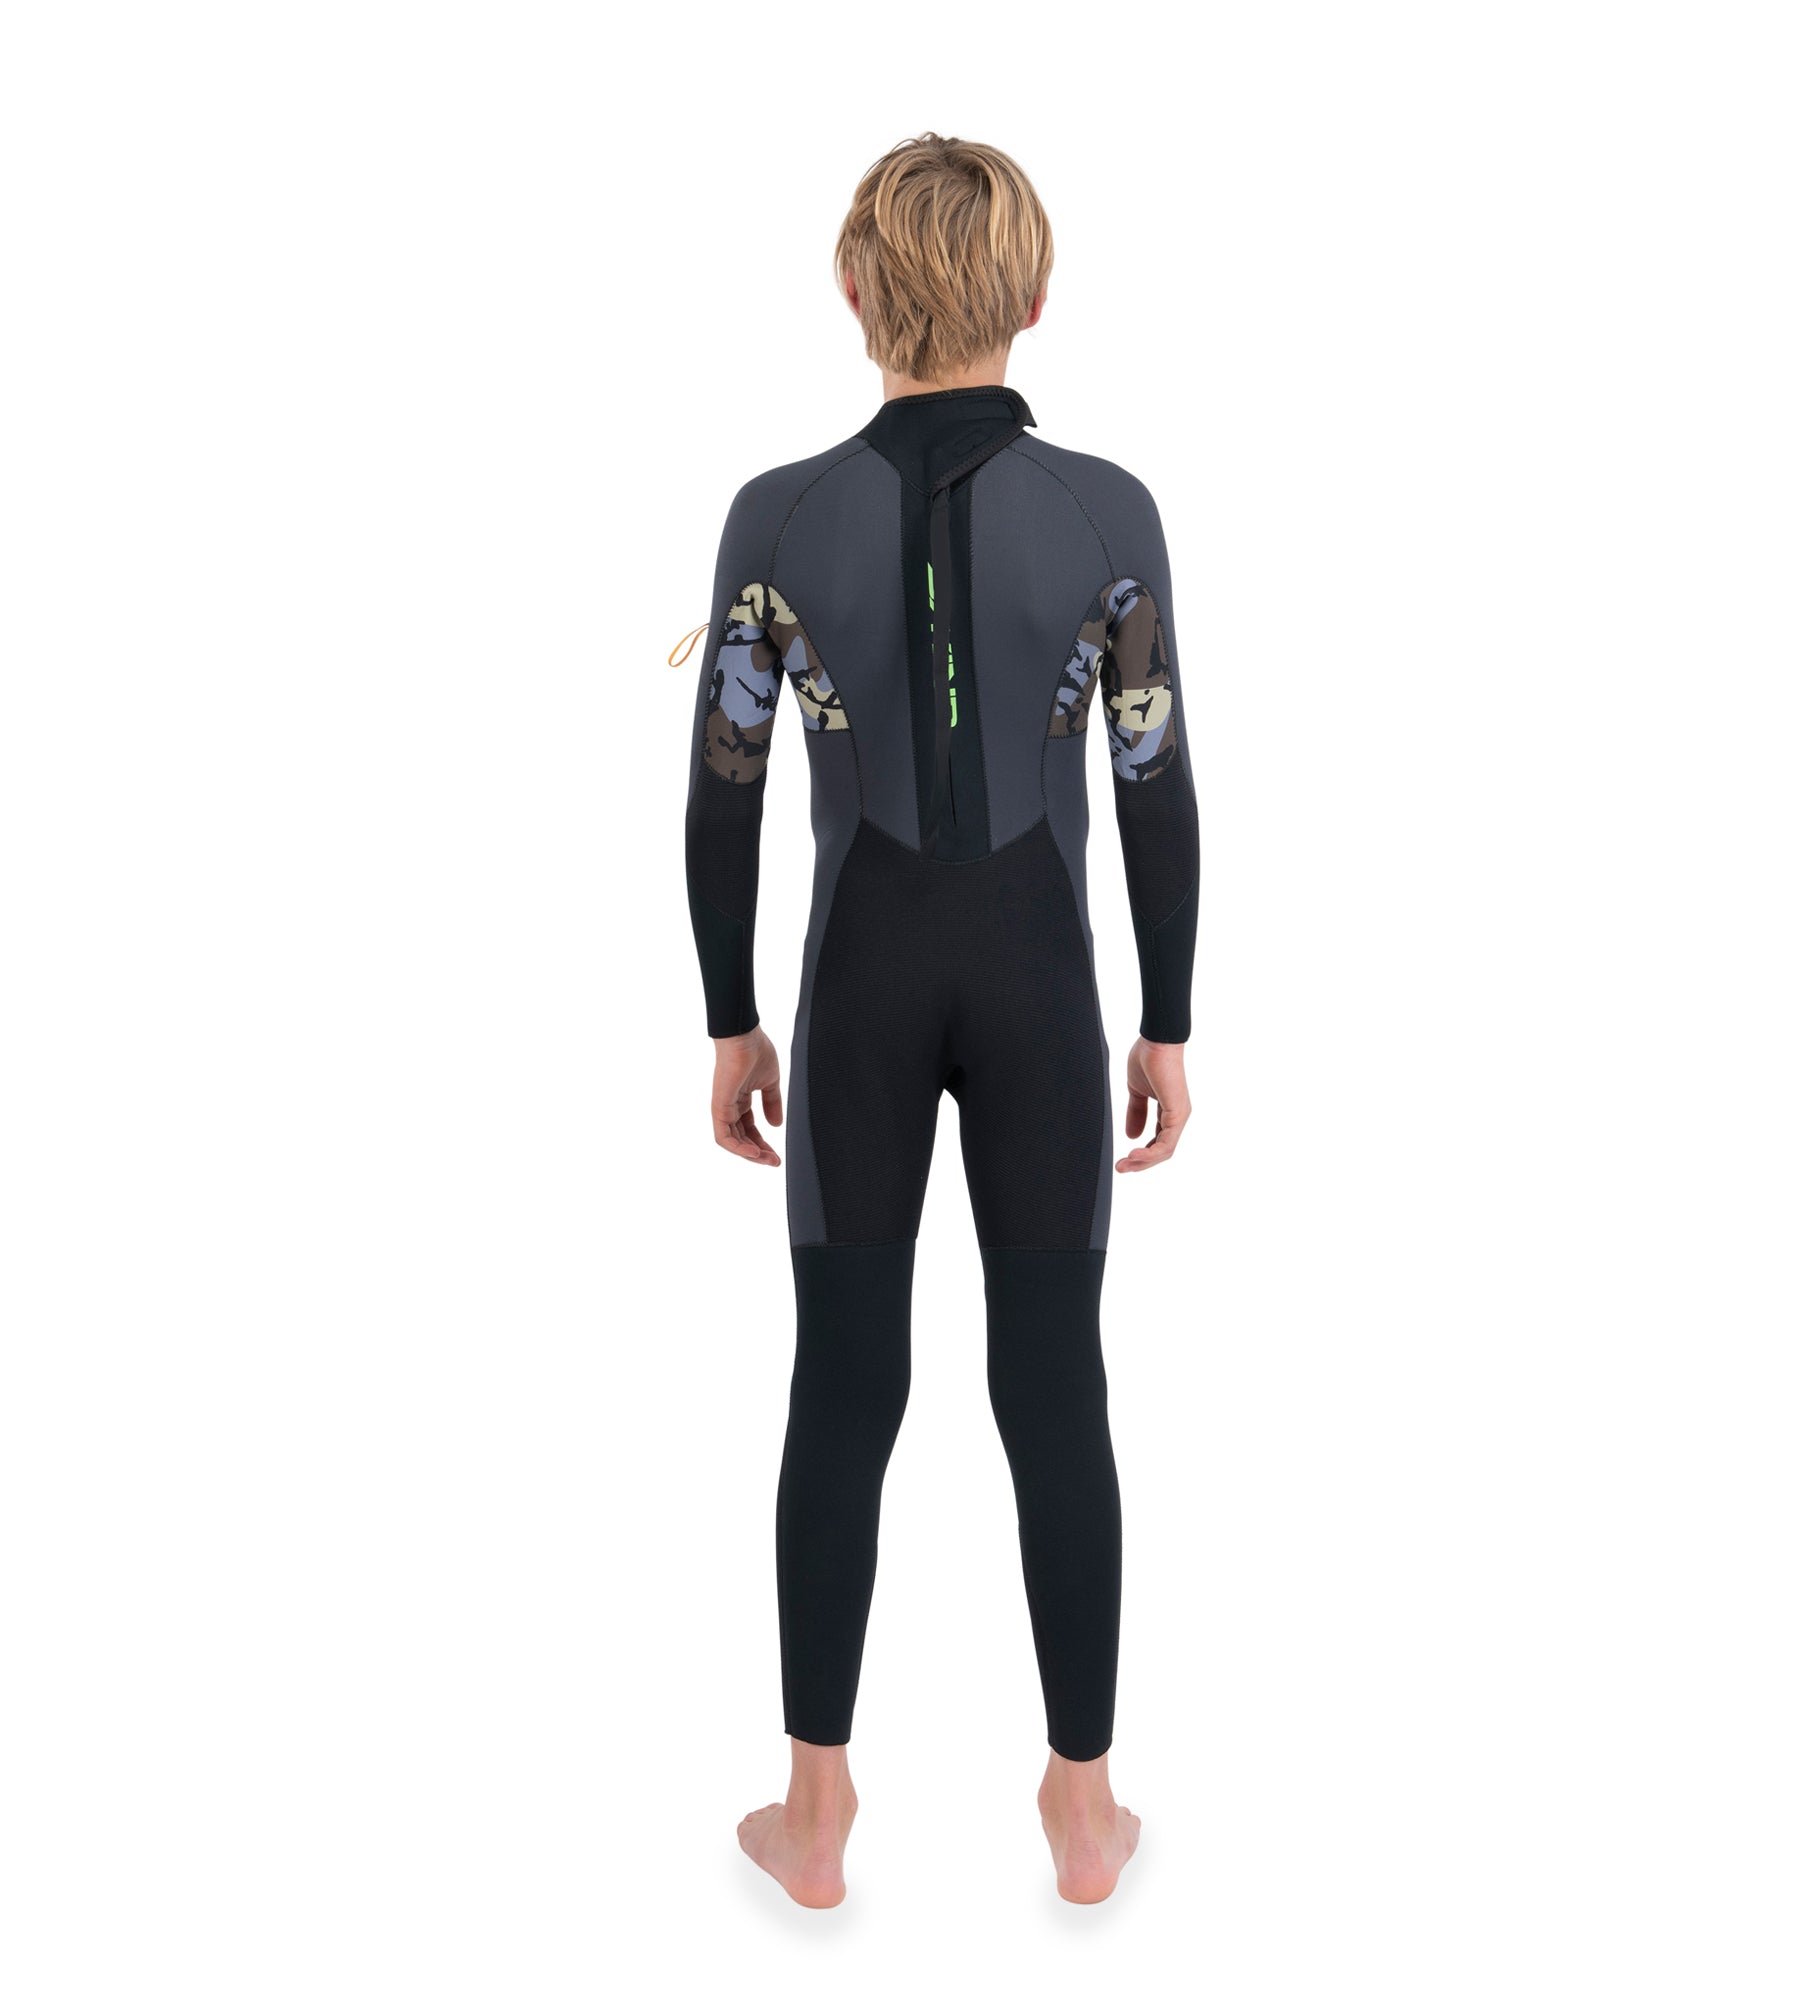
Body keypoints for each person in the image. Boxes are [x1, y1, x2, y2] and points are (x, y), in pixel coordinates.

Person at [684, 133, 1199, 1907]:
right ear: (1035, 298)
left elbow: (725, 793)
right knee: (1055, 1381)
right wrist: (1169, 1019)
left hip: (861, 991)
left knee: (845, 1381)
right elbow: (1154, 784)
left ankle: (815, 1814)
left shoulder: (776, 518)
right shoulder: (1109, 514)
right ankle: (1084, 1808)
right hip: (1047, 988)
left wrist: (733, 1019)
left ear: (851, 292)